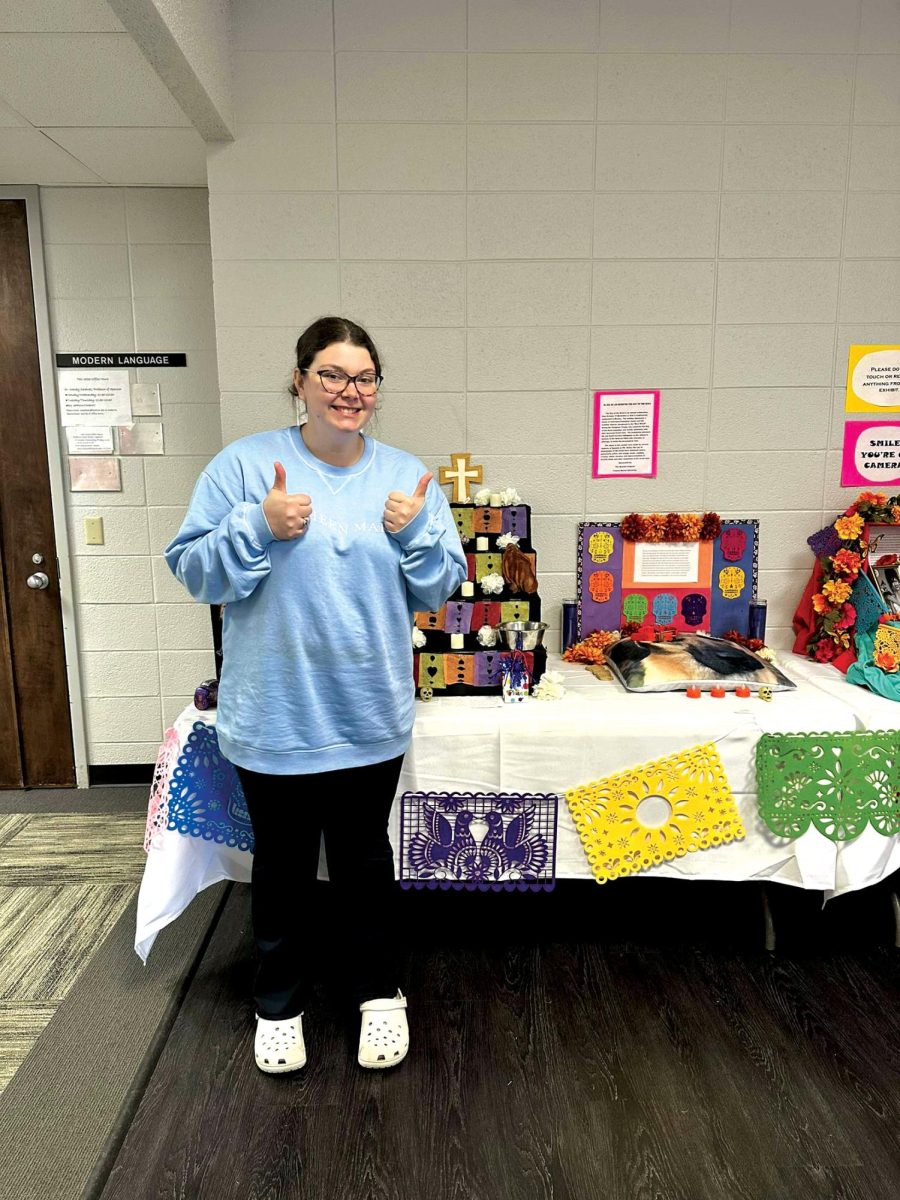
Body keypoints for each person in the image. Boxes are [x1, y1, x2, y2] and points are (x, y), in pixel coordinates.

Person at [164, 316, 466, 1074]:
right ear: (299, 381)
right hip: (274, 712)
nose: (349, 391)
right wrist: (256, 525)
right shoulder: (245, 466)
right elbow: (194, 570)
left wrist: (416, 537)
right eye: (331, 374)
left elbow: (441, 588)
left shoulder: (404, 476)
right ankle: (279, 1003)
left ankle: (378, 994)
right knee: (283, 867)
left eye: (364, 377)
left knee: (364, 864)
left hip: (368, 712)